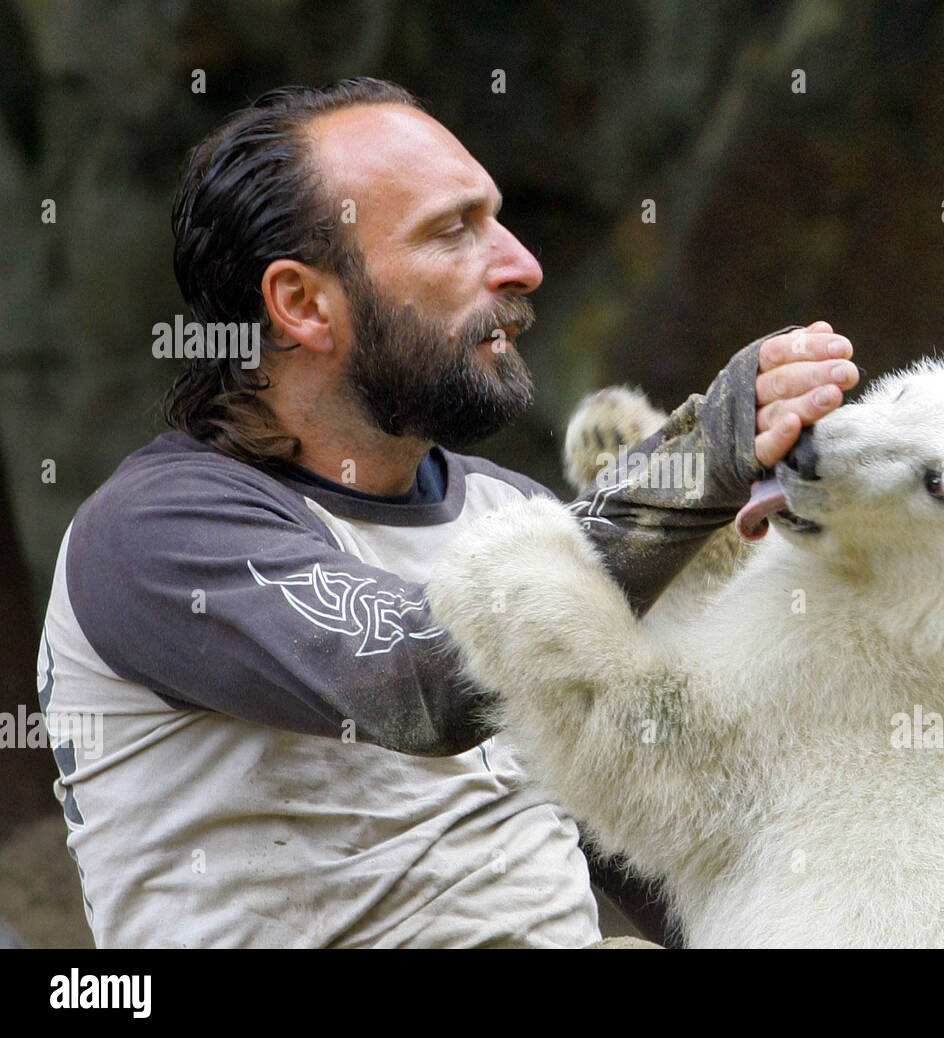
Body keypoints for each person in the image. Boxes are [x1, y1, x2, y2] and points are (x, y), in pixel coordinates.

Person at [36, 77, 860, 948]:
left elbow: (672, 852)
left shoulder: (512, 513)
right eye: (452, 231)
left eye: (496, 218)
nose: (521, 264)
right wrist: (700, 459)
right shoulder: (156, 534)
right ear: (303, 305)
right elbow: (430, 683)